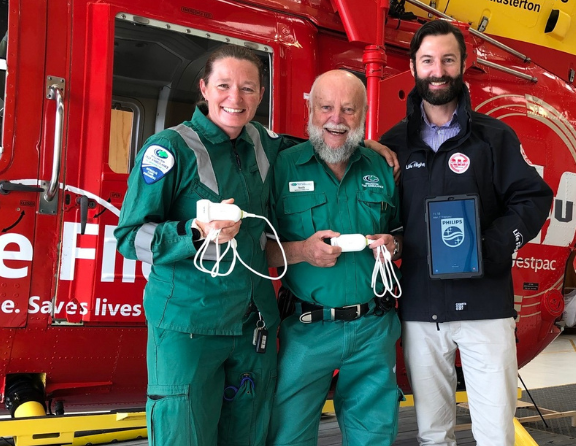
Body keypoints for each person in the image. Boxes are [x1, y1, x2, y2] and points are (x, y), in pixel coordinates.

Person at [114, 45, 398, 446]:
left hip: (253, 327)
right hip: (190, 325)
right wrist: (194, 232)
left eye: (248, 88)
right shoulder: (168, 150)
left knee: (248, 435)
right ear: (204, 88)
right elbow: (129, 237)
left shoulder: (264, 144)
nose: (236, 98)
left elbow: (327, 134)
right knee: (184, 435)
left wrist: (364, 143)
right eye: (224, 86)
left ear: (261, 94)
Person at [379, 20, 553, 446]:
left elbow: (533, 199)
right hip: (421, 311)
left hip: (486, 309)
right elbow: (382, 218)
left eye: (447, 60)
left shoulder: (495, 138)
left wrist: (493, 246)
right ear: (414, 67)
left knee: (495, 433)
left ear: (463, 64)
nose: (438, 70)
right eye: (428, 61)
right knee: (433, 434)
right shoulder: (394, 143)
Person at [266, 70, 402, 446]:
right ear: (310, 108)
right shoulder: (280, 167)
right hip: (306, 330)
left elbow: (402, 232)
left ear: (364, 113)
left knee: (374, 438)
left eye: (348, 110)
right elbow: (255, 249)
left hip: (373, 328)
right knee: (287, 438)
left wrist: (394, 245)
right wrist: (301, 251)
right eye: (326, 107)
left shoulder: (382, 168)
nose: (336, 119)